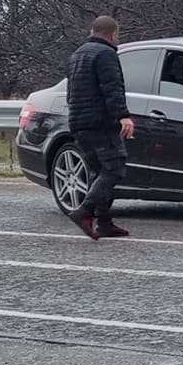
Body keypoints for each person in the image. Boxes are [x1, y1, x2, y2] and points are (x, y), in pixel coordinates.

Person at [65, 15, 135, 239]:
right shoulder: (106, 54)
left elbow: (71, 93)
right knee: (114, 168)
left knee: (99, 171)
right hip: (100, 123)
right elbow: (112, 87)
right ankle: (85, 211)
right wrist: (123, 115)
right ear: (113, 35)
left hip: (79, 122)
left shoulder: (77, 55)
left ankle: (104, 221)